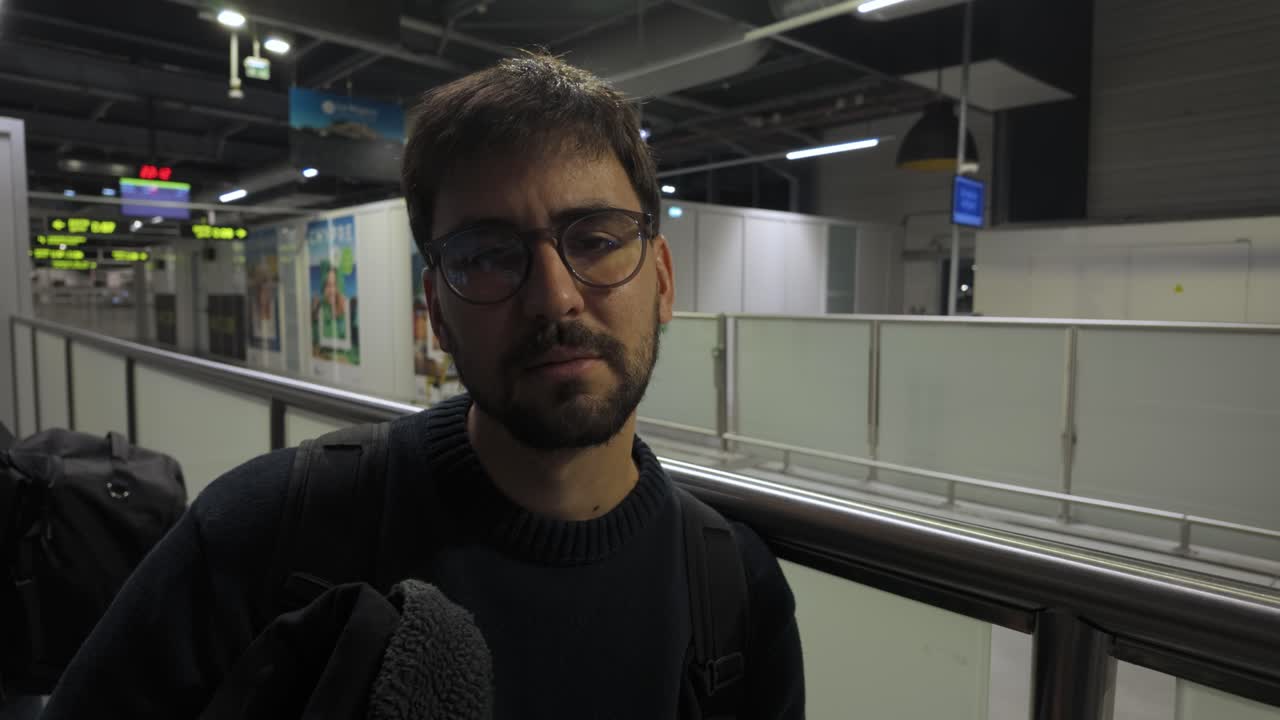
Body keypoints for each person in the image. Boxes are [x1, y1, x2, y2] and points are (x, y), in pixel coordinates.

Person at [43, 53, 804, 718]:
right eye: (486, 255)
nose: (553, 297)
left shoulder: (733, 594)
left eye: (597, 240)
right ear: (437, 310)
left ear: (662, 281)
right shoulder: (266, 535)